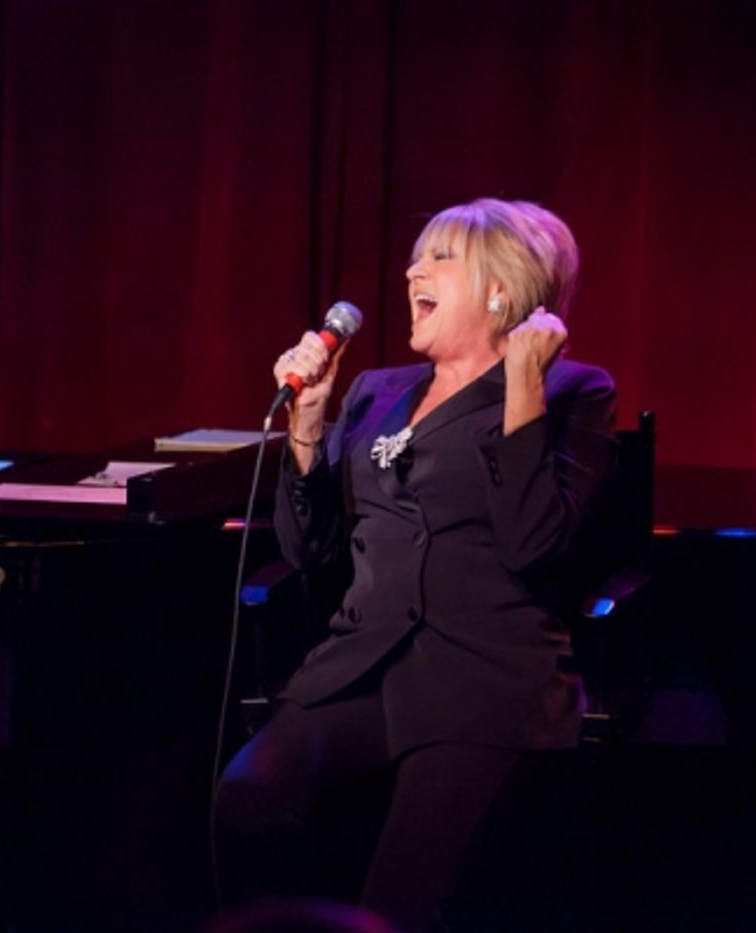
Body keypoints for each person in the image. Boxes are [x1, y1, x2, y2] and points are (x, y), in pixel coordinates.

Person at [215, 199, 616, 931]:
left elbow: (533, 544)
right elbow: (311, 551)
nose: (411, 271)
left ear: (501, 288)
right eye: (416, 256)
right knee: (242, 802)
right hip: (361, 664)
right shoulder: (378, 391)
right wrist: (308, 427)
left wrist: (524, 382)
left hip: (484, 674)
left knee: (400, 897)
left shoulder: (572, 390)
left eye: (439, 258)